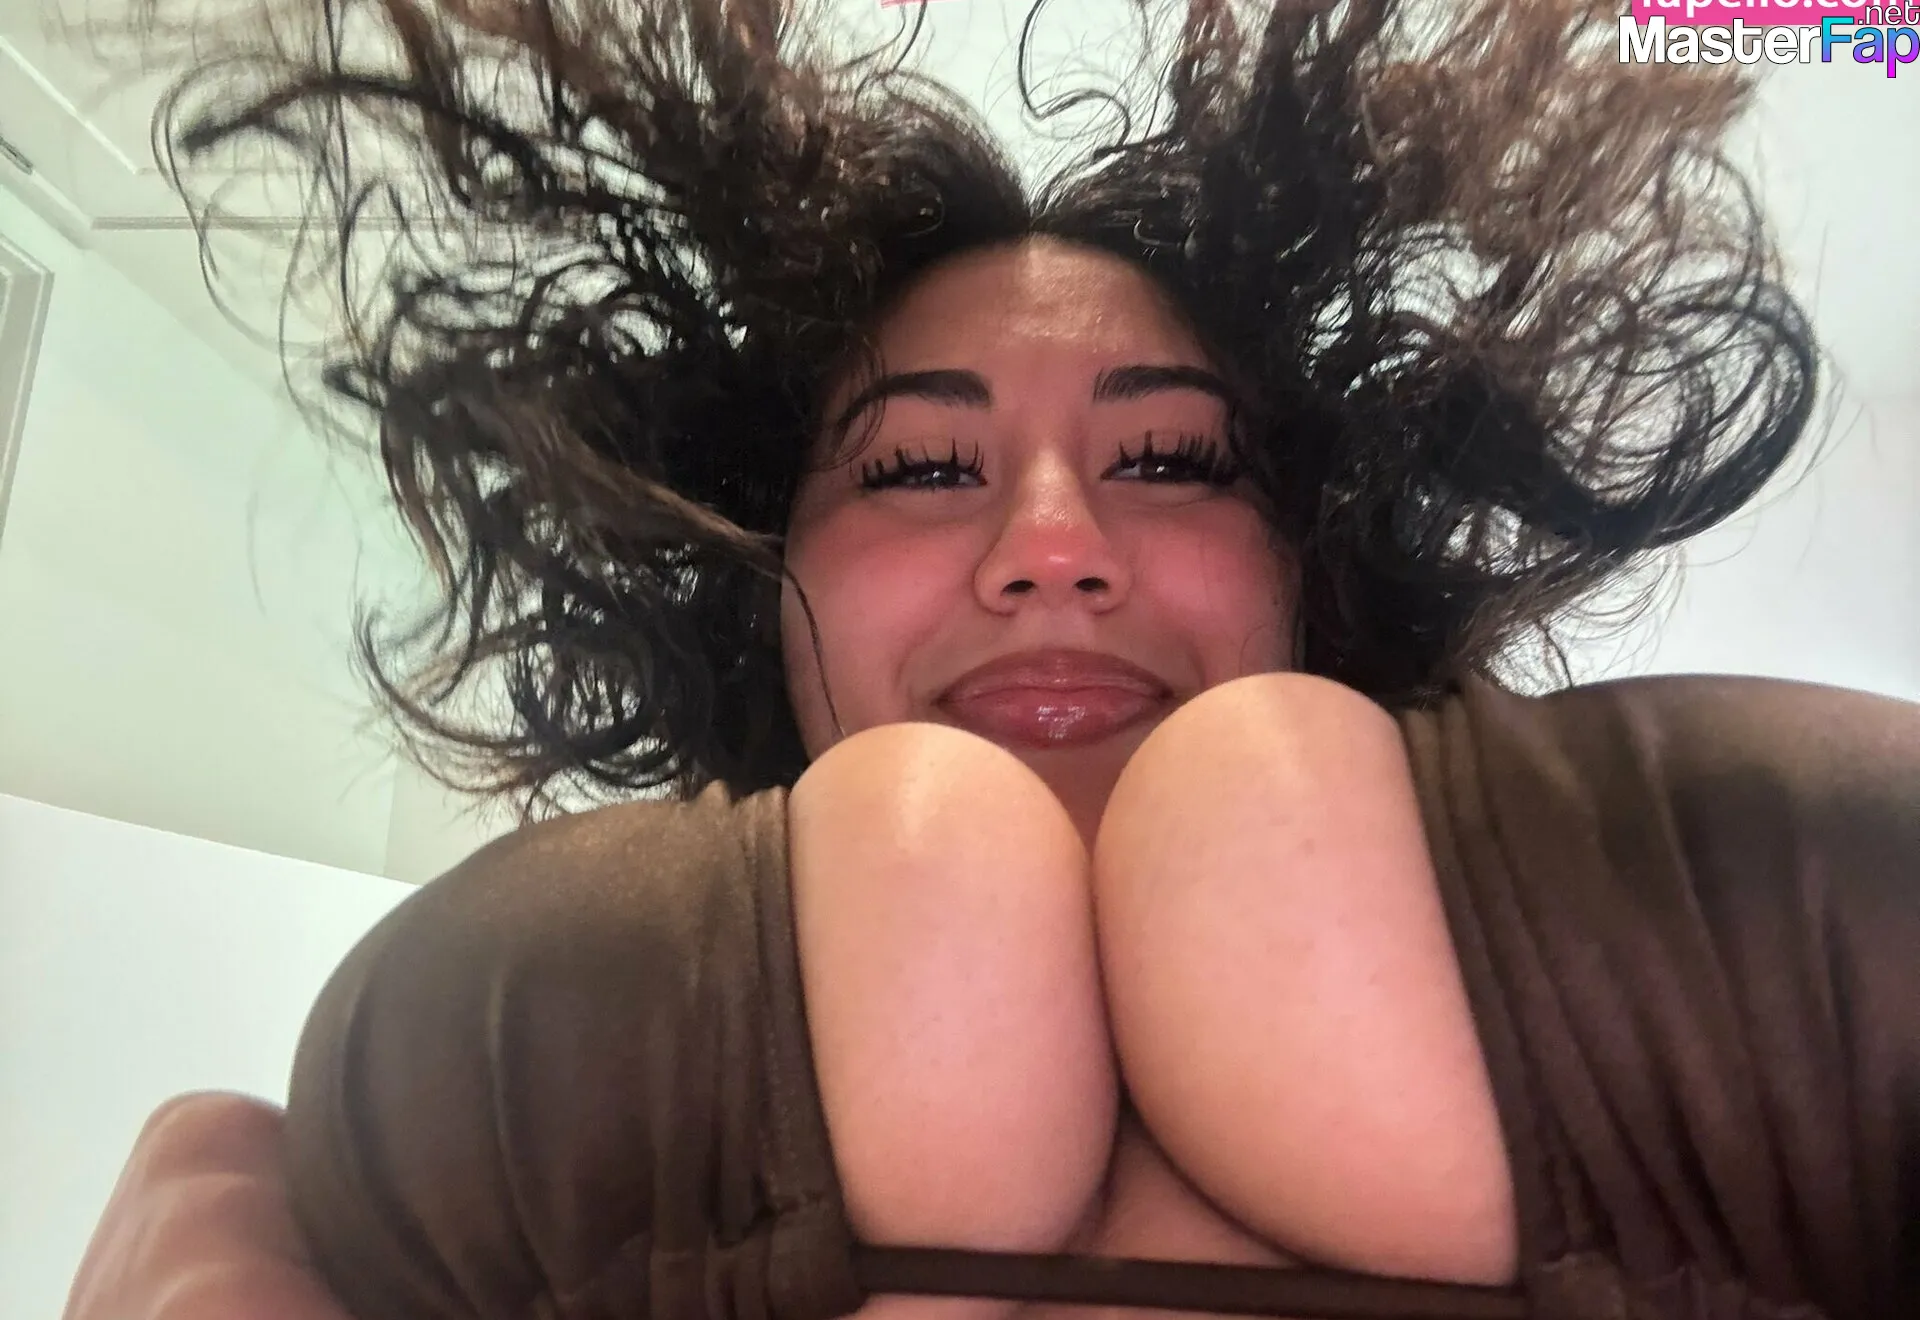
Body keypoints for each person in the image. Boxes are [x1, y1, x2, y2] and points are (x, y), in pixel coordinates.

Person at [62, 1, 1920, 1319]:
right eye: (918, 469)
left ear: (1311, 560)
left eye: (1170, 459)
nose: (1049, 544)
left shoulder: (1709, 952)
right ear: (763, 579)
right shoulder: (524, 1105)